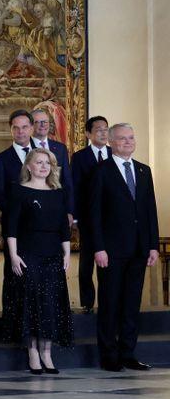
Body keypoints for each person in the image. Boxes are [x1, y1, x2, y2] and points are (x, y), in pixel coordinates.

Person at [88, 123, 159, 372]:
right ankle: (109, 356)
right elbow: (93, 214)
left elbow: (150, 211)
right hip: (111, 251)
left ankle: (128, 352)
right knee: (110, 303)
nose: (128, 142)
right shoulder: (101, 171)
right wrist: (98, 248)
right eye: (122, 138)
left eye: (131, 137)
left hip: (139, 249)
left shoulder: (143, 170)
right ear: (111, 141)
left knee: (131, 303)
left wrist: (153, 246)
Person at [3, 148, 73, 374]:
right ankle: (33, 352)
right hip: (28, 253)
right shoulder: (19, 191)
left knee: (51, 304)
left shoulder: (58, 192)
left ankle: (47, 353)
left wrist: (67, 253)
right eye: (39, 162)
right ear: (29, 166)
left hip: (53, 254)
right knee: (32, 303)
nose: (44, 167)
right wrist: (13, 255)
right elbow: (11, 227)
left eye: (48, 163)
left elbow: (64, 227)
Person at [0, 110, 38, 334]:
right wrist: (21, 210)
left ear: (32, 128)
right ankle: (12, 328)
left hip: (42, 229)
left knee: (39, 280)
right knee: (14, 277)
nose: (20, 131)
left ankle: (38, 329)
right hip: (15, 229)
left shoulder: (43, 155)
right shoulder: (0, 159)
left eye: (24, 127)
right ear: (11, 129)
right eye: (16, 128)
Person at [71, 115, 110, 314]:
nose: (103, 133)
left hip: (111, 220)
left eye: (106, 129)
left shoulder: (114, 153)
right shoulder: (79, 157)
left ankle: (107, 302)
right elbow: (75, 189)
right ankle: (87, 302)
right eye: (98, 129)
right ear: (88, 133)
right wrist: (75, 217)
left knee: (108, 263)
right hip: (87, 218)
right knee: (87, 262)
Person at [30, 108, 74, 215]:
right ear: (31, 125)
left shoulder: (60, 148)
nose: (42, 125)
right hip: (33, 208)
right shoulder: (25, 148)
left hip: (57, 208)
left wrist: (69, 211)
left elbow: (67, 181)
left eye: (45, 121)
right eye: (38, 122)